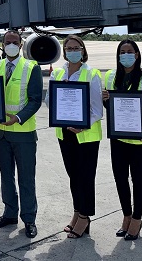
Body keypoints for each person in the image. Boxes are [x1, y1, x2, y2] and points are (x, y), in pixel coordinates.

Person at [101, 39, 142, 241]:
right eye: (122, 52)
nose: (125, 55)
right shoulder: (110, 76)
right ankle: (126, 216)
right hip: (118, 137)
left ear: (136, 54)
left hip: (140, 139)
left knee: (137, 178)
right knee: (120, 178)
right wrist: (106, 101)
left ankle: (137, 219)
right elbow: (112, 110)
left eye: (129, 51)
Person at [0, 30, 43, 238]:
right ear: (2, 45)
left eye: (14, 42)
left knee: (26, 178)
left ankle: (29, 218)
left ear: (20, 45)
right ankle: (9, 213)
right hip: (0, 132)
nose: (10, 45)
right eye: (7, 42)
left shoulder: (31, 67)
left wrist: (17, 118)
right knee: (6, 177)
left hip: (23, 133)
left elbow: (35, 100)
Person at [47, 35, 103, 239]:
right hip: (65, 133)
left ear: (83, 50)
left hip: (86, 135)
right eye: (68, 48)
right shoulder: (58, 73)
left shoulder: (92, 73)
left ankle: (86, 217)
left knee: (86, 178)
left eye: (76, 47)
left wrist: (82, 124)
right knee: (73, 177)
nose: (72, 51)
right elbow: (49, 101)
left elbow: (98, 109)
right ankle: (78, 212)